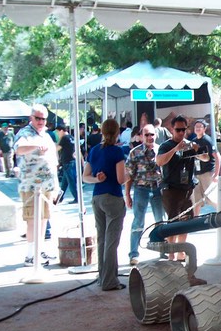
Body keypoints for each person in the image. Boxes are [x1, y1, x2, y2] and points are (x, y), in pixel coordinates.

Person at [82, 119, 127, 290]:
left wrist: (96, 179)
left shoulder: (94, 151)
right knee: (111, 242)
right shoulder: (117, 151)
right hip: (113, 197)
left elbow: (85, 177)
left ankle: (104, 277)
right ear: (117, 133)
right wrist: (132, 173)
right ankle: (109, 281)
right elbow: (120, 179)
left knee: (102, 239)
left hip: (97, 196)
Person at [14, 104, 60, 267]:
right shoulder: (26, 133)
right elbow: (18, 149)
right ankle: (30, 255)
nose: (41, 121)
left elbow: (53, 161)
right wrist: (35, 146)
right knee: (33, 219)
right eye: (38, 118)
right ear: (31, 118)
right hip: (31, 186)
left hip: (47, 185)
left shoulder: (46, 135)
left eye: (43, 118)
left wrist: (56, 185)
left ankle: (39, 250)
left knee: (44, 218)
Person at [156, 115, 202, 264]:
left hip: (187, 189)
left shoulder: (190, 144)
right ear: (172, 129)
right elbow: (159, 161)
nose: (181, 133)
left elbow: (206, 158)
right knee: (172, 222)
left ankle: (181, 251)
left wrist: (197, 150)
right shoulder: (166, 145)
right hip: (171, 189)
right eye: (178, 130)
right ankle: (171, 253)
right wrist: (176, 149)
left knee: (186, 221)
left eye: (184, 129)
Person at [124, 124, 165, 266]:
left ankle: (163, 250)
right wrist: (127, 195)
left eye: (152, 134)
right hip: (141, 189)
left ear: (156, 135)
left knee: (160, 220)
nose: (149, 137)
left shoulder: (161, 150)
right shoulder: (134, 153)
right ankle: (133, 254)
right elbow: (129, 175)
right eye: (146, 134)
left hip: (158, 189)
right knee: (138, 222)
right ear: (141, 136)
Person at [190, 119, 220, 217]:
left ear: (204, 129)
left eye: (200, 126)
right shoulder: (193, 142)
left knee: (212, 198)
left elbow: (217, 156)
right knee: (196, 200)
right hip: (196, 174)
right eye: (196, 127)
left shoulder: (207, 140)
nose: (198, 128)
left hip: (207, 173)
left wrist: (216, 174)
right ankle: (195, 220)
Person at [55, 124, 79, 204]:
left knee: (71, 182)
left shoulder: (64, 138)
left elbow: (57, 148)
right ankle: (60, 198)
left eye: (58, 132)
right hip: (71, 161)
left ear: (61, 131)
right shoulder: (71, 137)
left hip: (67, 162)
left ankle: (77, 198)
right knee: (64, 183)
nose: (58, 134)